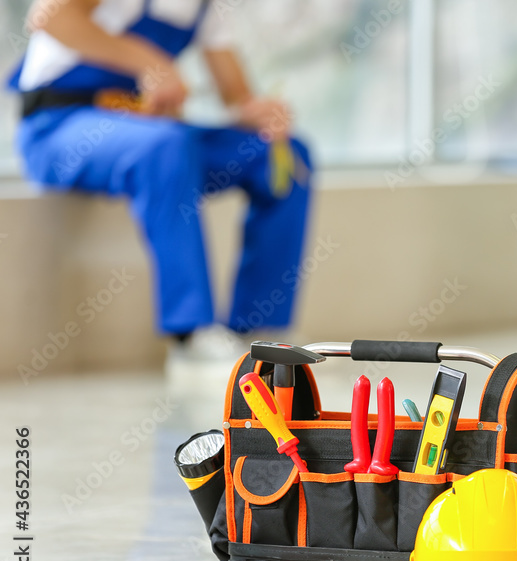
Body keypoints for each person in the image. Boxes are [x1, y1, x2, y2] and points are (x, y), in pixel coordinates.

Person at [10, 0, 312, 359]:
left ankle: (257, 337)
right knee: (166, 145)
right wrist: (150, 62)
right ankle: (192, 336)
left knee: (284, 155)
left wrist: (257, 111)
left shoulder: (208, 9)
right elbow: (49, 16)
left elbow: (236, 95)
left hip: (146, 133)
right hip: (58, 128)